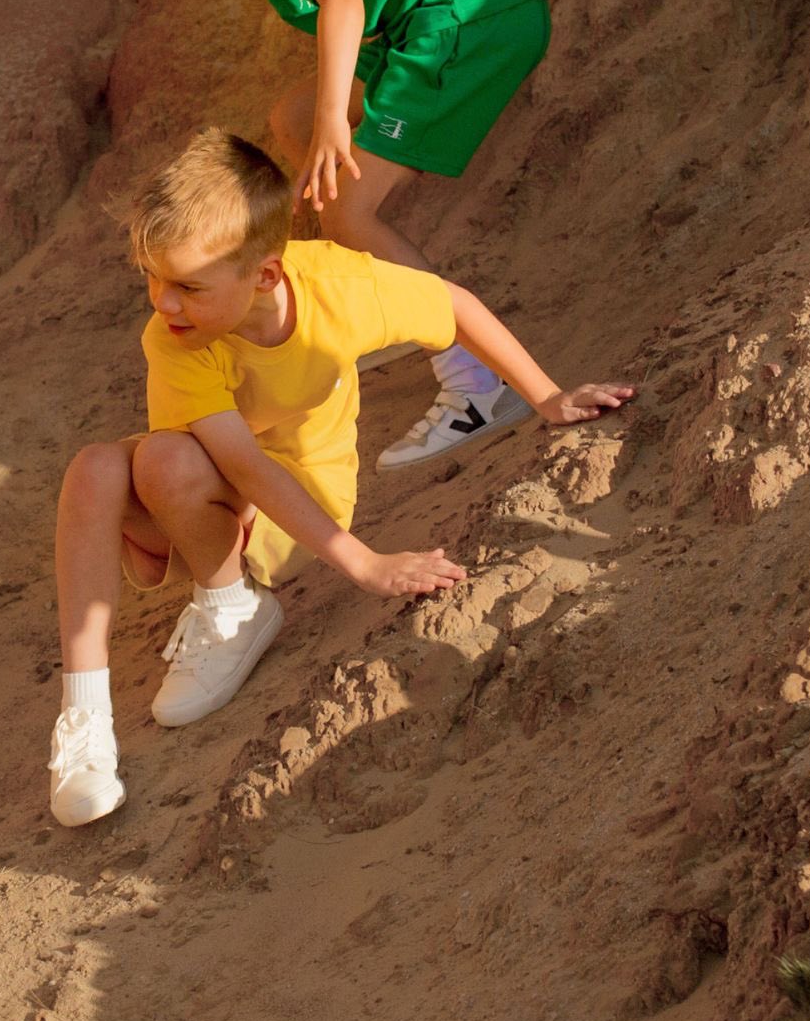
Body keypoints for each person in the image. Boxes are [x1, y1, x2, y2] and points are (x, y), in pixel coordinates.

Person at [49, 129, 632, 828]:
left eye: (187, 286)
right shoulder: (173, 338)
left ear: (265, 274)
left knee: (162, 459)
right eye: (154, 278)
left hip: (306, 501)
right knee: (94, 469)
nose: (163, 303)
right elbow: (234, 464)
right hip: (223, 492)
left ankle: (231, 609)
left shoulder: (337, 287)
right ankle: (83, 726)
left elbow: (452, 306)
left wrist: (545, 397)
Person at [87, 0, 551, 471]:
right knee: (292, 116)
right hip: (445, 17)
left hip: (467, 20)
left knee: (347, 211)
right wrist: (320, 117)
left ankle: (476, 383)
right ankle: (374, 295)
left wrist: (339, 117)